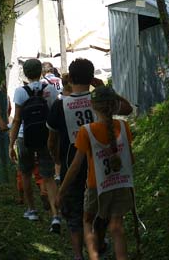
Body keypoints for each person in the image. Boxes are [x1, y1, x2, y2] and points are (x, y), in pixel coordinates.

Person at [49, 60, 132, 260]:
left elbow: (52, 139)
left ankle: (79, 255)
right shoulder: (101, 100)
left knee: (76, 214)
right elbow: (127, 109)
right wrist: (104, 89)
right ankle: (100, 245)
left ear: (70, 77)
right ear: (92, 77)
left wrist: (56, 158)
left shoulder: (60, 105)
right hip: (101, 166)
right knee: (100, 210)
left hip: (72, 163)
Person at [9, 58, 61, 233]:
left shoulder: (20, 92)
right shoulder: (51, 89)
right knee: (48, 176)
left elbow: (17, 120)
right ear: (40, 72)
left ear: (25, 73)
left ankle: (31, 210)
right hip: (46, 136)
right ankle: (55, 215)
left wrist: (11, 144)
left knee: (26, 173)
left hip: (25, 137)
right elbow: (54, 115)